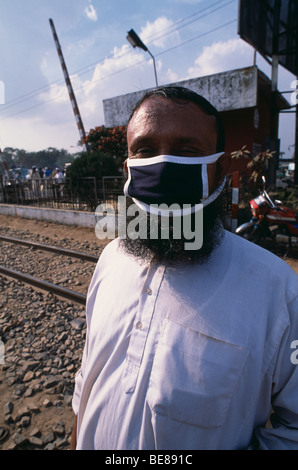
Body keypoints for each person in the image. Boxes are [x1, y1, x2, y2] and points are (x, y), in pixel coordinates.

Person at [71, 86, 298, 450]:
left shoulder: (278, 291)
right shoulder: (110, 259)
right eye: (145, 149)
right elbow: (87, 382)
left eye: (186, 150)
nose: (163, 166)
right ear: (128, 167)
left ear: (220, 169)